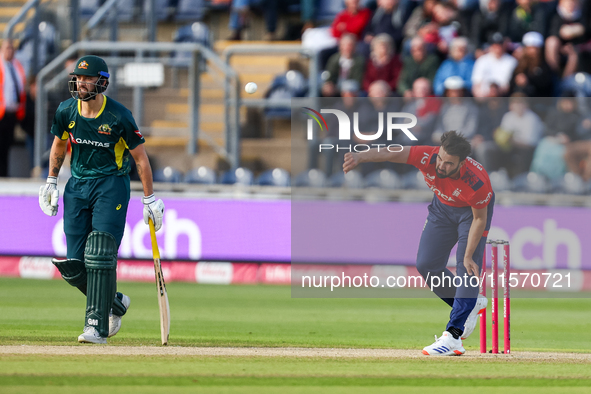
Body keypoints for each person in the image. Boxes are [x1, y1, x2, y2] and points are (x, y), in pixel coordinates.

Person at [38, 55, 165, 344]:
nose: (82, 82)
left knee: (100, 255)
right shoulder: (66, 111)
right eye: (78, 77)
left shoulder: (119, 116)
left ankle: (96, 326)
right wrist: (51, 181)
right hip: (78, 185)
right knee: (73, 265)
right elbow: (59, 144)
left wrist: (150, 198)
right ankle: (116, 304)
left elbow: (140, 159)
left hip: (111, 185)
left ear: (102, 82)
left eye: (88, 77)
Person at [343, 130, 494, 356]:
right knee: (426, 265)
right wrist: (362, 156)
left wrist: (468, 255)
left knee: (467, 268)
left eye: (448, 163)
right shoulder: (428, 157)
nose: (440, 166)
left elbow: (479, 219)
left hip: (470, 215)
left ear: (462, 163)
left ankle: (453, 336)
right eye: (440, 158)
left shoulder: (476, 181)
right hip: (442, 209)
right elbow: (391, 153)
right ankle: (470, 302)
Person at [0, 39, 27, 177]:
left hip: (11, 112)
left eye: (11, 48)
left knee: (6, 146)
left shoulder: (16, 66)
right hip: (1, 113)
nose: (9, 51)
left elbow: (20, 88)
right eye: (7, 48)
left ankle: (4, 175)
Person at [471, 32, 517, 97]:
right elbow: (476, 83)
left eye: (500, 44)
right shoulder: (482, 60)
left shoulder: (511, 61)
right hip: (484, 97)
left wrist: (495, 92)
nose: (497, 47)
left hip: (503, 96)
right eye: (495, 45)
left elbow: (508, 86)